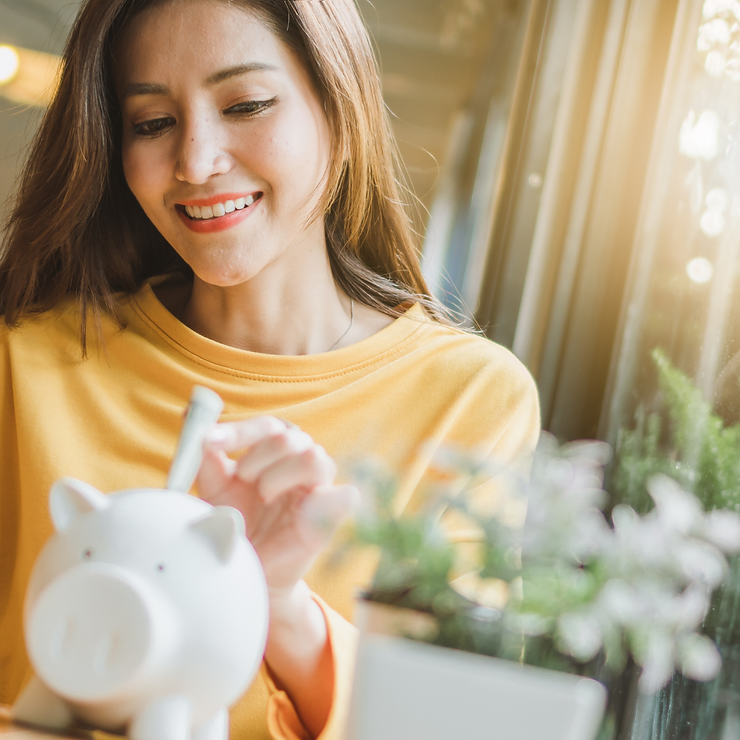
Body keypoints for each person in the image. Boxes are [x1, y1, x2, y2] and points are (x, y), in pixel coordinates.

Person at [0, 0, 540, 738]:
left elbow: (463, 723)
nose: (195, 161)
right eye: (152, 123)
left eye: (246, 104)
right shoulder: (26, 363)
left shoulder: (470, 399)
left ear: (341, 115)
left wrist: (276, 605)